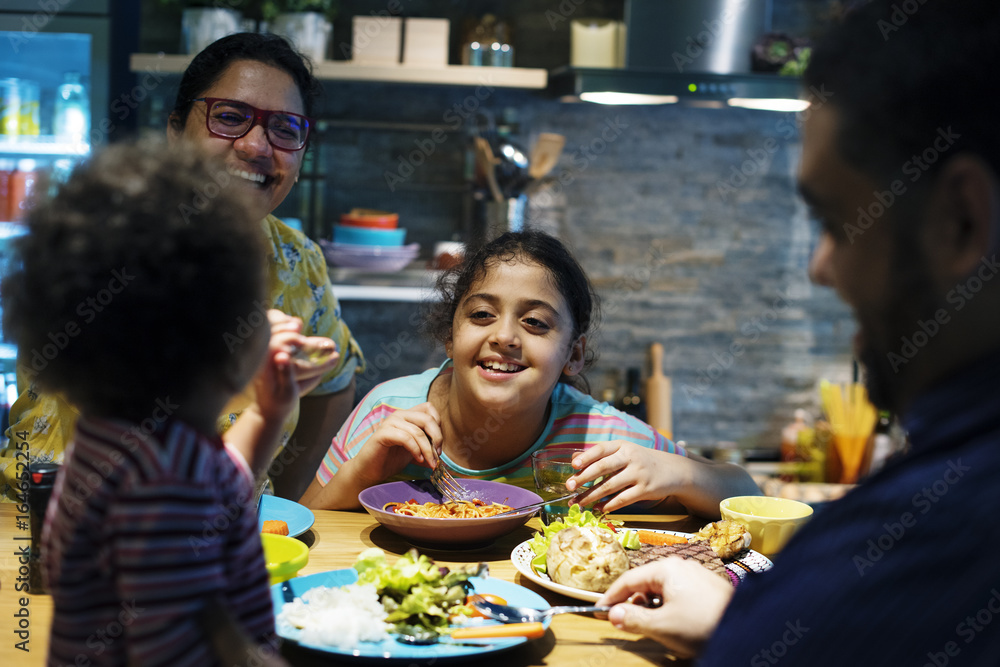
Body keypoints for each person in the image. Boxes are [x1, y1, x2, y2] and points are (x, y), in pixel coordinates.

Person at [596, 1, 1000, 663]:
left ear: (960, 219)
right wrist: (745, 615)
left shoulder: (934, 534)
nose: (820, 268)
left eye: (837, 223)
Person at [0, 32, 364, 502]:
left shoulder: (296, 258)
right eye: (230, 117)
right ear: (175, 131)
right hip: (64, 525)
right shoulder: (107, 238)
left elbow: (334, 380)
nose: (257, 146)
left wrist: (283, 500)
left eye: (286, 129)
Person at [1, 139, 290, 665]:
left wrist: (266, 414)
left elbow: (222, 488)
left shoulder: (133, 439)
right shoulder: (160, 481)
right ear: (219, 338)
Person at [300, 230, 760, 515]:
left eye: (535, 323)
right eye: (481, 315)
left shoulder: (597, 436)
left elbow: (747, 493)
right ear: (449, 335)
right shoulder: (389, 411)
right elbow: (303, 522)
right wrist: (365, 470)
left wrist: (673, 470)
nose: (504, 336)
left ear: (572, 356)